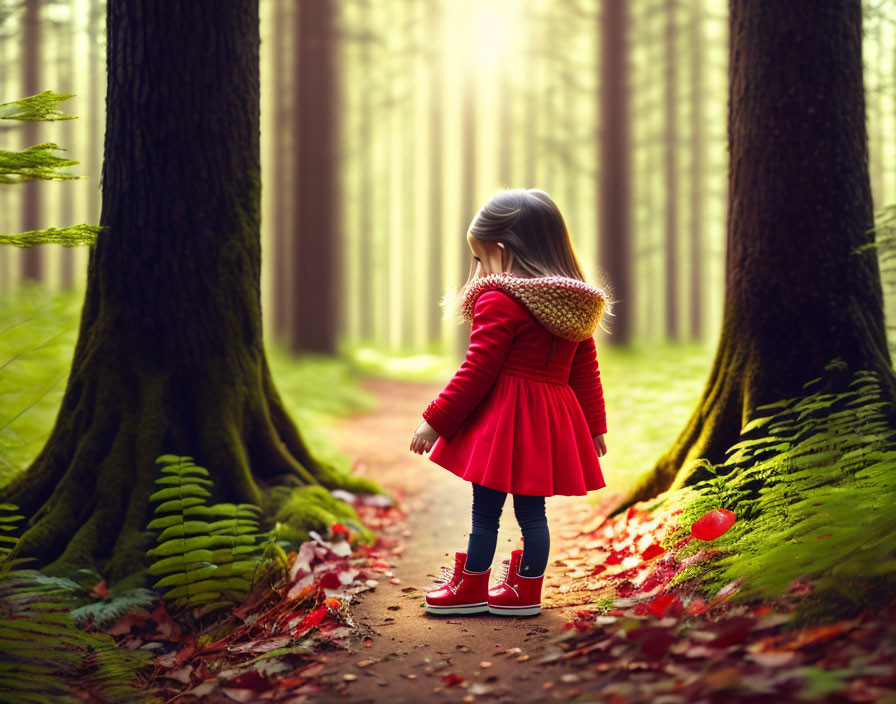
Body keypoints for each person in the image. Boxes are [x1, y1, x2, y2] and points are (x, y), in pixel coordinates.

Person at [409, 188, 613, 617]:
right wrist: (594, 427)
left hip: (503, 422)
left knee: (485, 512)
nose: (478, 270)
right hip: (550, 422)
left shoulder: (500, 300)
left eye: (481, 259)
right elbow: (585, 372)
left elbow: (477, 371)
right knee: (532, 513)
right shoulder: (576, 306)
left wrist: (435, 421)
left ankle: (470, 589)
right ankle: (525, 592)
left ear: (502, 251)